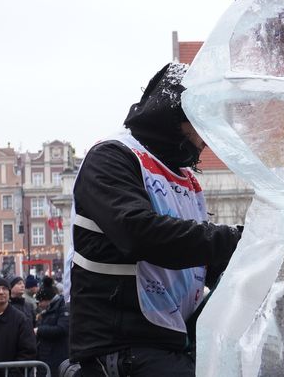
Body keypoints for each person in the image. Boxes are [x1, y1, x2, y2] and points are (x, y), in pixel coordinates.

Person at [68, 62, 243, 376]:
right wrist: (237, 239)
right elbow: (138, 232)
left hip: (172, 339)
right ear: (178, 113)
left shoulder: (186, 179)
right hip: (124, 344)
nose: (209, 137)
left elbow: (204, 260)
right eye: (204, 121)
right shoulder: (112, 157)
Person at [35, 277, 69, 377]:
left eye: (40, 302)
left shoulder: (63, 308)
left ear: (47, 300)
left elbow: (62, 329)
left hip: (57, 358)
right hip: (46, 357)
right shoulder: (47, 311)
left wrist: (39, 330)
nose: (39, 305)